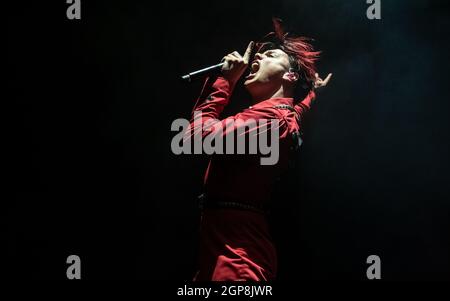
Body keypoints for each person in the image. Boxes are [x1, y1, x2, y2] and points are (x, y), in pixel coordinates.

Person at [188, 19, 332, 281]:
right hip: (230, 246)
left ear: (289, 75)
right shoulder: (285, 116)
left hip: (236, 259)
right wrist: (314, 94)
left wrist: (224, 82)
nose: (259, 57)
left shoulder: (268, 120)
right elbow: (300, 110)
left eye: (270, 55)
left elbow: (196, 138)